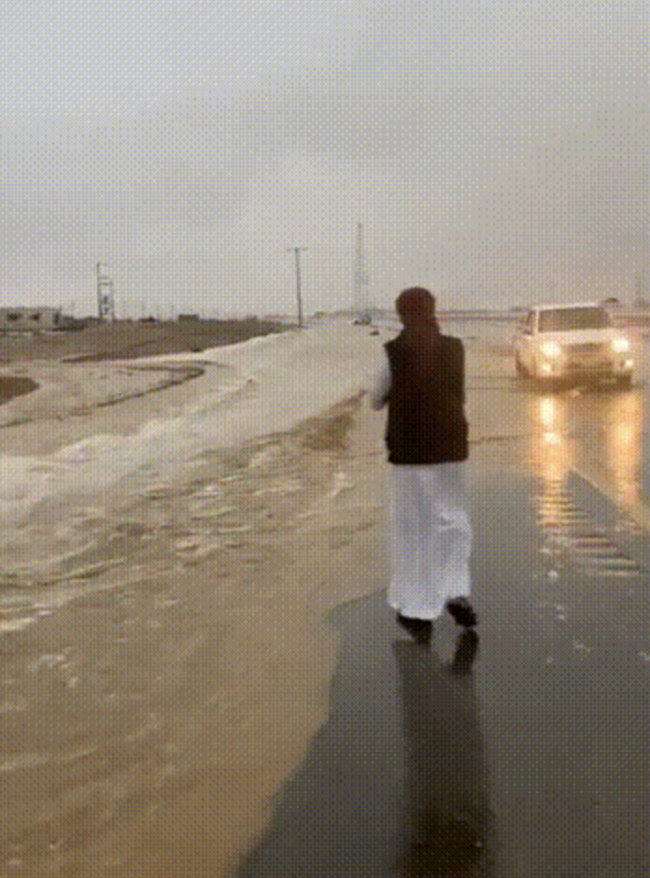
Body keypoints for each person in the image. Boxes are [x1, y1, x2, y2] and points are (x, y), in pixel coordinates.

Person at [368, 286, 477, 645]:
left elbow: (374, 399)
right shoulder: (454, 348)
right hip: (449, 448)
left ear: (400, 314)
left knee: (414, 529)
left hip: (411, 454)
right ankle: (455, 591)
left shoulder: (394, 353)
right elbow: (457, 393)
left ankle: (417, 608)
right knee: (451, 521)